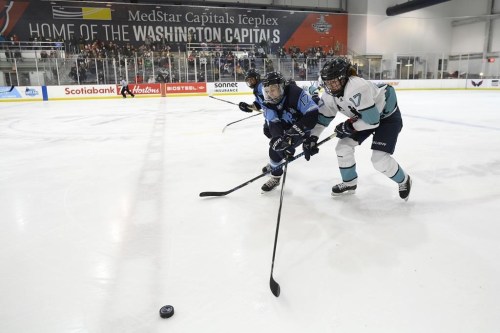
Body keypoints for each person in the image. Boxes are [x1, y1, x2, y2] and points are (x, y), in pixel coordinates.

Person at [303, 57, 412, 201]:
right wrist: (312, 137)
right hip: (363, 116)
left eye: (334, 81)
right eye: (328, 82)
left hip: (386, 117)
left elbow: (373, 121)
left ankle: (404, 180)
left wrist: (349, 126)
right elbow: (322, 120)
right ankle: (349, 183)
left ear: (345, 78)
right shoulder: (330, 94)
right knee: (343, 147)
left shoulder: (356, 87)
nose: (331, 86)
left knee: (379, 160)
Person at [260, 71, 319, 192]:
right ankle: (275, 175)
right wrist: (278, 140)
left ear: (281, 87)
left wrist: (295, 132)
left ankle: (275, 165)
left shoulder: (295, 93)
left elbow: (312, 113)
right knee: (275, 148)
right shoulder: (267, 102)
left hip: (302, 127)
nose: (270, 94)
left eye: (273, 89)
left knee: (279, 148)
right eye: (267, 91)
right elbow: (274, 123)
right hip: (284, 127)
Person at [238, 69, 271, 139]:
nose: (250, 82)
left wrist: (270, 108)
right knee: (267, 131)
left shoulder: (261, 85)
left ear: (257, 78)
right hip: (270, 114)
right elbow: (258, 104)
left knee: (269, 131)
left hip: (275, 114)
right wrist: (248, 106)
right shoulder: (257, 88)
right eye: (248, 80)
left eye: (252, 79)